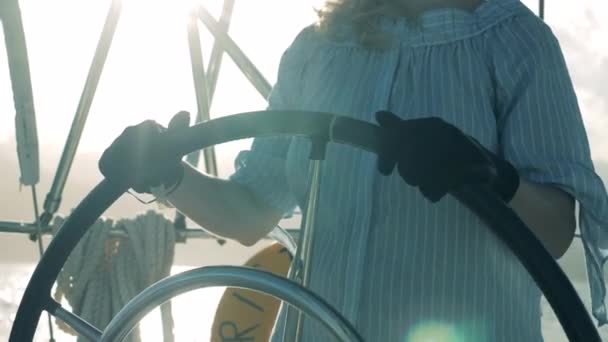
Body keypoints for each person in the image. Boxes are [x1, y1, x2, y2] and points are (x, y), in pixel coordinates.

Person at [99, 0, 608, 340]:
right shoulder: (315, 51)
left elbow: (557, 231)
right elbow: (250, 210)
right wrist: (168, 175)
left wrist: (489, 174)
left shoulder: (517, 42)